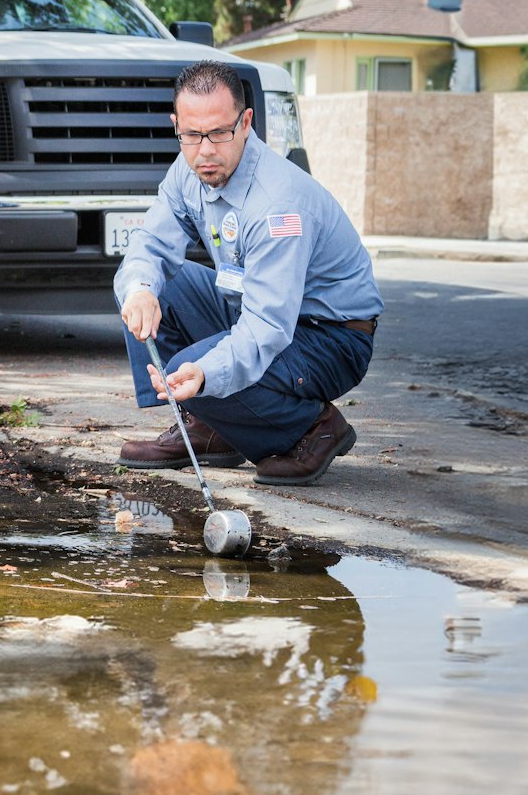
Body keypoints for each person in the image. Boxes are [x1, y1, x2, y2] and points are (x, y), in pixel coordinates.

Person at [112, 60, 382, 485]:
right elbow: (149, 246)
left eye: (219, 132)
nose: (205, 150)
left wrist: (206, 375)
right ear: (176, 125)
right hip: (253, 308)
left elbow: (267, 327)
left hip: (329, 335)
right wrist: (140, 289)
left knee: (192, 368)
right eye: (191, 134)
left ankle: (315, 425)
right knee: (151, 287)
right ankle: (207, 426)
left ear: (245, 122)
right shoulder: (188, 170)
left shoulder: (278, 202)